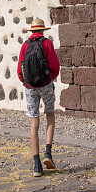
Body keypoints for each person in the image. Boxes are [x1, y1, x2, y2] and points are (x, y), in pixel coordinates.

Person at [17, 17, 60, 177]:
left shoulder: (25, 45)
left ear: (32, 31)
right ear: (42, 30)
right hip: (45, 85)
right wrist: (51, 77)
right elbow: (54, 65)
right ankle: (47, 154)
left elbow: (20, 69)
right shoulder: (47, 43)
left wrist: (25, 82)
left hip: (30, 87)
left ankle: (36, 166)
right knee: (50, 115)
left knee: (34, 121)